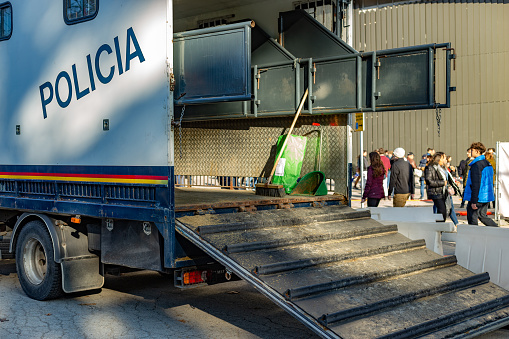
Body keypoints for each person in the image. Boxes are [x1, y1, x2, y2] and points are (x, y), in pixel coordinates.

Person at [463, 142, 498, 226]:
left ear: (477, 151)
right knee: (483, 216)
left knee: (472, 218)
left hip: (478, 196)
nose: (470, 152)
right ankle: (497, 230)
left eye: (472, 150)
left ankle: (474, 236)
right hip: (485, 195)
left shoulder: (476, 165)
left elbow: (476, 183)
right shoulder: (487, 163)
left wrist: (474, 200)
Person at [425, 153, 461, 223]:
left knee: (446, 209)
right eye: (444, 158)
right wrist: (442, 183)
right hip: (436, 193)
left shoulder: (443, 168)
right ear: (440, 159)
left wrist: (454, 183)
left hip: (444, 192)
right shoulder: (431, 167)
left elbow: (448, 178)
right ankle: (439, 227)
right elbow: (429, 181)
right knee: (442, 211)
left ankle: (442, 226)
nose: (445, 159)